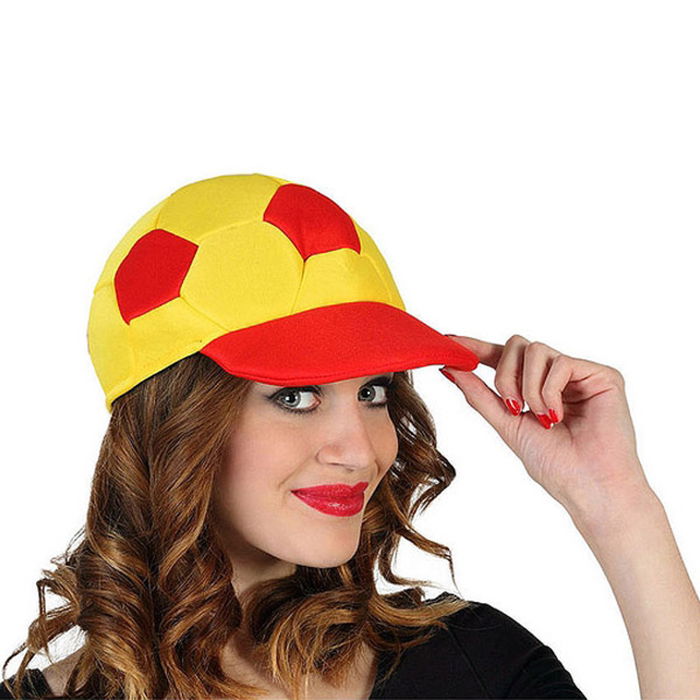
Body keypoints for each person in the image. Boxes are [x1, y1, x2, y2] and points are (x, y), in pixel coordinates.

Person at [1, 174, 697, 699]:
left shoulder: (476, 665)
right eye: (295, 395)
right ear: (173, 426)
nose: (361, 449)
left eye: (372, 392)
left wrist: (617, 504)